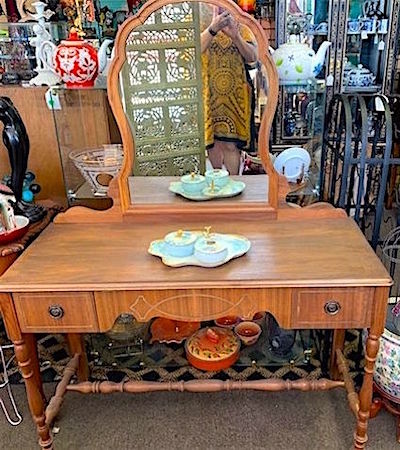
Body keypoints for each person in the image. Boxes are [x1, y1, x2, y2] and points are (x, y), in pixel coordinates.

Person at [201, 8, 258, 175]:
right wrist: (212, 29)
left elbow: (253, 57)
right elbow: (191, 50)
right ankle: (218, 183)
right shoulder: (196, 19)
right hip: (207, 93)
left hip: (235, 95)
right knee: (212, 143)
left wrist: (236, 37)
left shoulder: (240, 21)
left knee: (230, 144)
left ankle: (234, 185)